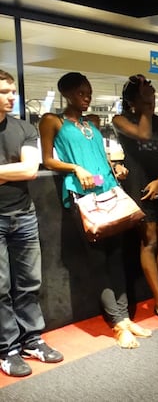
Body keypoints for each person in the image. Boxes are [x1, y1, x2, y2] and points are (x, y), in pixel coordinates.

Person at [39, 72, 151, 349]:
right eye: (80, 93)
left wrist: (115, 169)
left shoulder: (92, 123)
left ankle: (124, 318)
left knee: (117, 258)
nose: (86, 97)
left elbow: (98, 161)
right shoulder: (52, 121)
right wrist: (75, 167)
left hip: (107, 192)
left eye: (88, 92)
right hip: (83, 199)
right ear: (66, 93)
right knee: (100, 261)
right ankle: (117, 322)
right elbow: (47, 160)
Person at [0, 70, 63, 377]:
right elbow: (21, 167)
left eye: (12, 91)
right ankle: (7, 348)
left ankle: (31, 339)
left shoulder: (23, 127)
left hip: (23, 214)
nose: (12, 96)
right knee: (0, 286)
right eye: (5, 91)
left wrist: (8, 171)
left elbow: (28, 170)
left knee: (28, 283)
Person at [112, 74, 158, 321]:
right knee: (149, 241)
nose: (151, 103)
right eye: (146, 98)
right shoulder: (120, 119)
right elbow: (143, 135)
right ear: (133, 100)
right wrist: (144, 108)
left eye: (153, 98)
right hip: (138, 185)